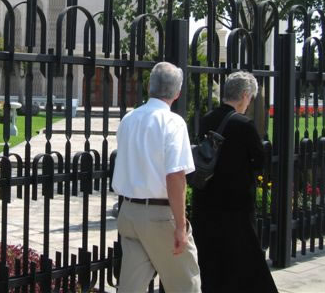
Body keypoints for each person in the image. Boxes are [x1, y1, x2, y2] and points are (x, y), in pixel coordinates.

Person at [112, 61, 201, 293]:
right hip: (159, 216)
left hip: (129, 212)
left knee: (131, 286)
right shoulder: (173, 122)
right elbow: (176, 176)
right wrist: (180, 225)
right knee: (186, 283)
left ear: (149, 86)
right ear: (177, 92)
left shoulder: (129, 119)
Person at [191, 71, 278, 293]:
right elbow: (259, 160)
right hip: (236, 205)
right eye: (250, 98)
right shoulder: (244, 124)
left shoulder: (207, 118)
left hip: (207, 201)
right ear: (245, 95)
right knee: (244, 260)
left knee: (212, 260)